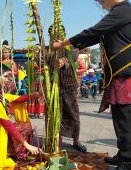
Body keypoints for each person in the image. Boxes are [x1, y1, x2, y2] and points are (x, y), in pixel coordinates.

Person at [52, 0, 131, 169]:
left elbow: (96, 30)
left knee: (127, 118)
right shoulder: (122, 11)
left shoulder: (125, 9)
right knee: (120, 116)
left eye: (101, 1)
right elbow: (98, 35)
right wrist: (71, 43)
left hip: (127, 73)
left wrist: (63, 43)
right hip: (119, 72)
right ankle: (124, 155)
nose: (102, 6)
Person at [49, 25, 88, 153]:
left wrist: (63, 60)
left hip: (69, 86)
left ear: (63, 35)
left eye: (58, 33)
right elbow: (44, 63)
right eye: (53, 34)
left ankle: (76, 140)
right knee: (56, 115)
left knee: (73, 114)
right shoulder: (48, 49)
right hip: (54, 87)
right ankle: (56, 140)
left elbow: (74, 55)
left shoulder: (71, 46)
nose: (56, 36)